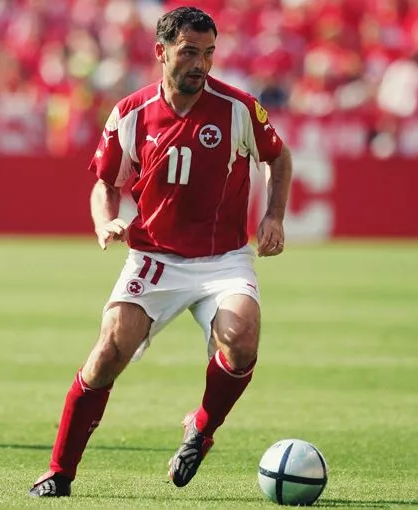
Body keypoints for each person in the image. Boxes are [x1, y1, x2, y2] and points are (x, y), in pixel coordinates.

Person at [29, 6, 293, 497]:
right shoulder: (130, 113)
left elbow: (279, 157)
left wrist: (274, 215)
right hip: (155, 258)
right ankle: (59, 471)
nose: (201, 63)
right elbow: (106, 183)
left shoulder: (238, 108)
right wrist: (105, 221)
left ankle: (201, 428)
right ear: (161, 52)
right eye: (190, 52)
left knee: (242, 339)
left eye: (209, 53)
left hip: (223, 259)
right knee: (107, 353)